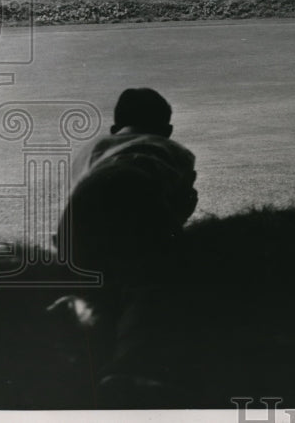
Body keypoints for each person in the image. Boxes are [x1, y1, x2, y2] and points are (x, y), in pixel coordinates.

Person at [50, 88, 198, 398]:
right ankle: (133, 367)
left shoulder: (89, 149)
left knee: (96, 280)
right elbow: (175, 207)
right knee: (154, 284)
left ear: (115, 128)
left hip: (77, 216)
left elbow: (81, 192)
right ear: (167, 130)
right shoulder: (173, 150)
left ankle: (73, 321)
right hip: (134, 192)